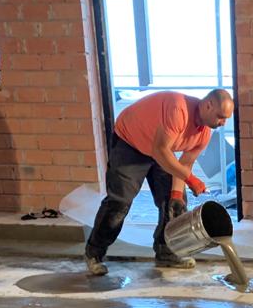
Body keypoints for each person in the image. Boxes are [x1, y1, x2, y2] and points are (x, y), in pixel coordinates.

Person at [85, 88, 234, 274]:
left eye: (226, 119)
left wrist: (176, 194)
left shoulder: (203, 134)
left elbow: (185, 164)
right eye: (221, 117)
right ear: (208, 105)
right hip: (130, 143)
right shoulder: (179, 110)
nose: (223, 123)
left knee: (174, 204)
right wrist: (191, 180)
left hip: (160, 149)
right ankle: (94, 253)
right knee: (119, 203)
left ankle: (167, 253)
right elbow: (160, 151)